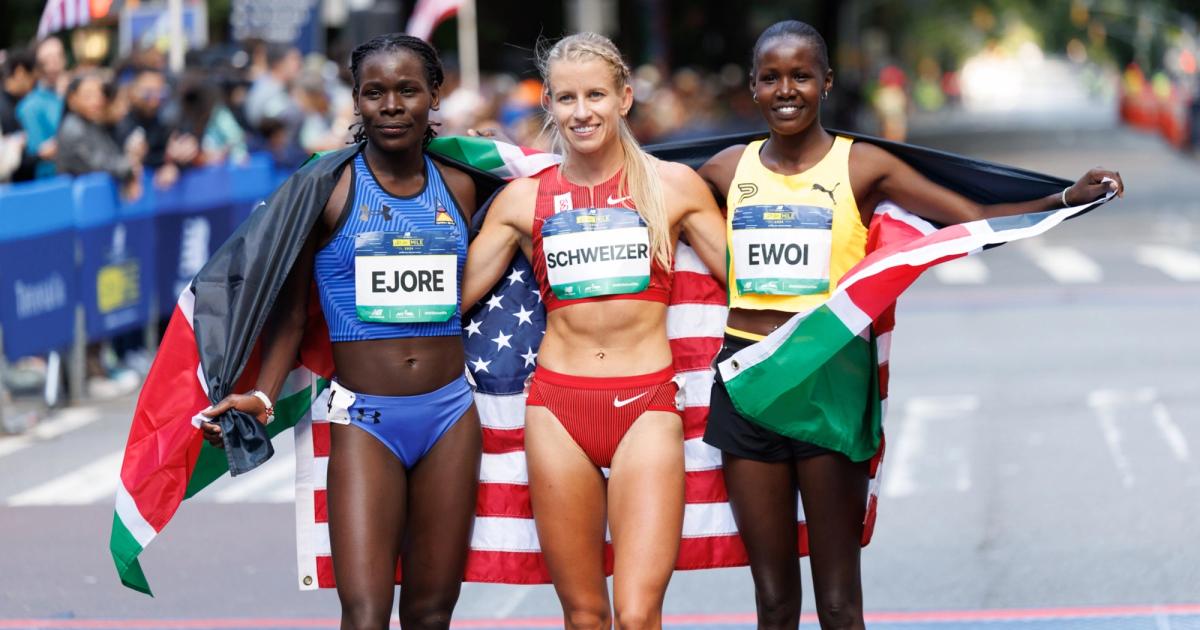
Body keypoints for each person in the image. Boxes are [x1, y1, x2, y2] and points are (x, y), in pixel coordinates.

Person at [697, 20, 1124, 630]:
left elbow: (970, 220)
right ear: (754, 86)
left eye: (800, 76)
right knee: (772, 603)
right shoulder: (724, 169)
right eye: (771, 78)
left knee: (840, 602)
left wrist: (1063, 199)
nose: (785, 89)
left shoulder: (863, 165)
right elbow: (630, 190)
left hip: (828, 384)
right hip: (747, 383)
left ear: (826, 83)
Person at [198, 33, 481, 630]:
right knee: (365, 611)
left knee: (432, 612)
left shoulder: (462, 186)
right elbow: (293, 314)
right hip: (366, 422)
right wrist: (264, 396)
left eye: (408, 90)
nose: (392, 105)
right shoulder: (327, 191)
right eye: (374, 92)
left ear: (435, 94)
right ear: (356, 101)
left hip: (451, 416)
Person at [462, 32, 727, 630]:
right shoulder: (521, 201)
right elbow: (447, 302)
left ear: (625, 97)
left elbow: (751, 283)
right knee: (584, 615)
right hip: (557, 408)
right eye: (566, 98)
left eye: (596, 95)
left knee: (636, 615)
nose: (582, 112)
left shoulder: (671, 187)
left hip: (647, 404)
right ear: (549, 106)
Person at [55, 72, 145, 200]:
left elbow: (110, 154)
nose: (96, 100)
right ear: (72, 99)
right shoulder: (73, 128)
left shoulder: (92, 123)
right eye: (88, 95)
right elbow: (94, 164)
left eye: (99, 94)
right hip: (76, 201)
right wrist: (128, 167)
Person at [17, 37, 68, 178]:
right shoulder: (30, 106)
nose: (54, 65)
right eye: (48, 60)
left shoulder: (69, 95)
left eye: (59, 56)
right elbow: (39, 154)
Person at [0, 49, 36, 182]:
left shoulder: (15, 103)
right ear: (20, 73)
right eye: (33, 77)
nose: (34, 84)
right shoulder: (4, 108)